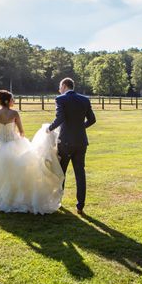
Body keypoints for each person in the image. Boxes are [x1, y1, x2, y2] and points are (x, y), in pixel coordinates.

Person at [0, 90, 64, 214]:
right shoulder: (14, 113)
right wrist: (17, 136)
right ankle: (14, 196)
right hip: (14, 143)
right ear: (7, 101)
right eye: (12, 99)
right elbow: (22, 132)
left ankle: (1, 197)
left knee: (0, 173)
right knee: (18, 172)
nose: (14, 101)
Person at [47, 78, 96, 214]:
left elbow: (60, 118)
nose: (59, 89)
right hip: (81, 142)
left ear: (64, 85)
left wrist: (49, 129)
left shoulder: (60, 99)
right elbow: (92, 120)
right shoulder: (85, 99)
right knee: (80, 173)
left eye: (60, 86)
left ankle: (58, 200)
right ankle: (80, 206)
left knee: (60, 172)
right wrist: (80, 128)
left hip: (66, 142)